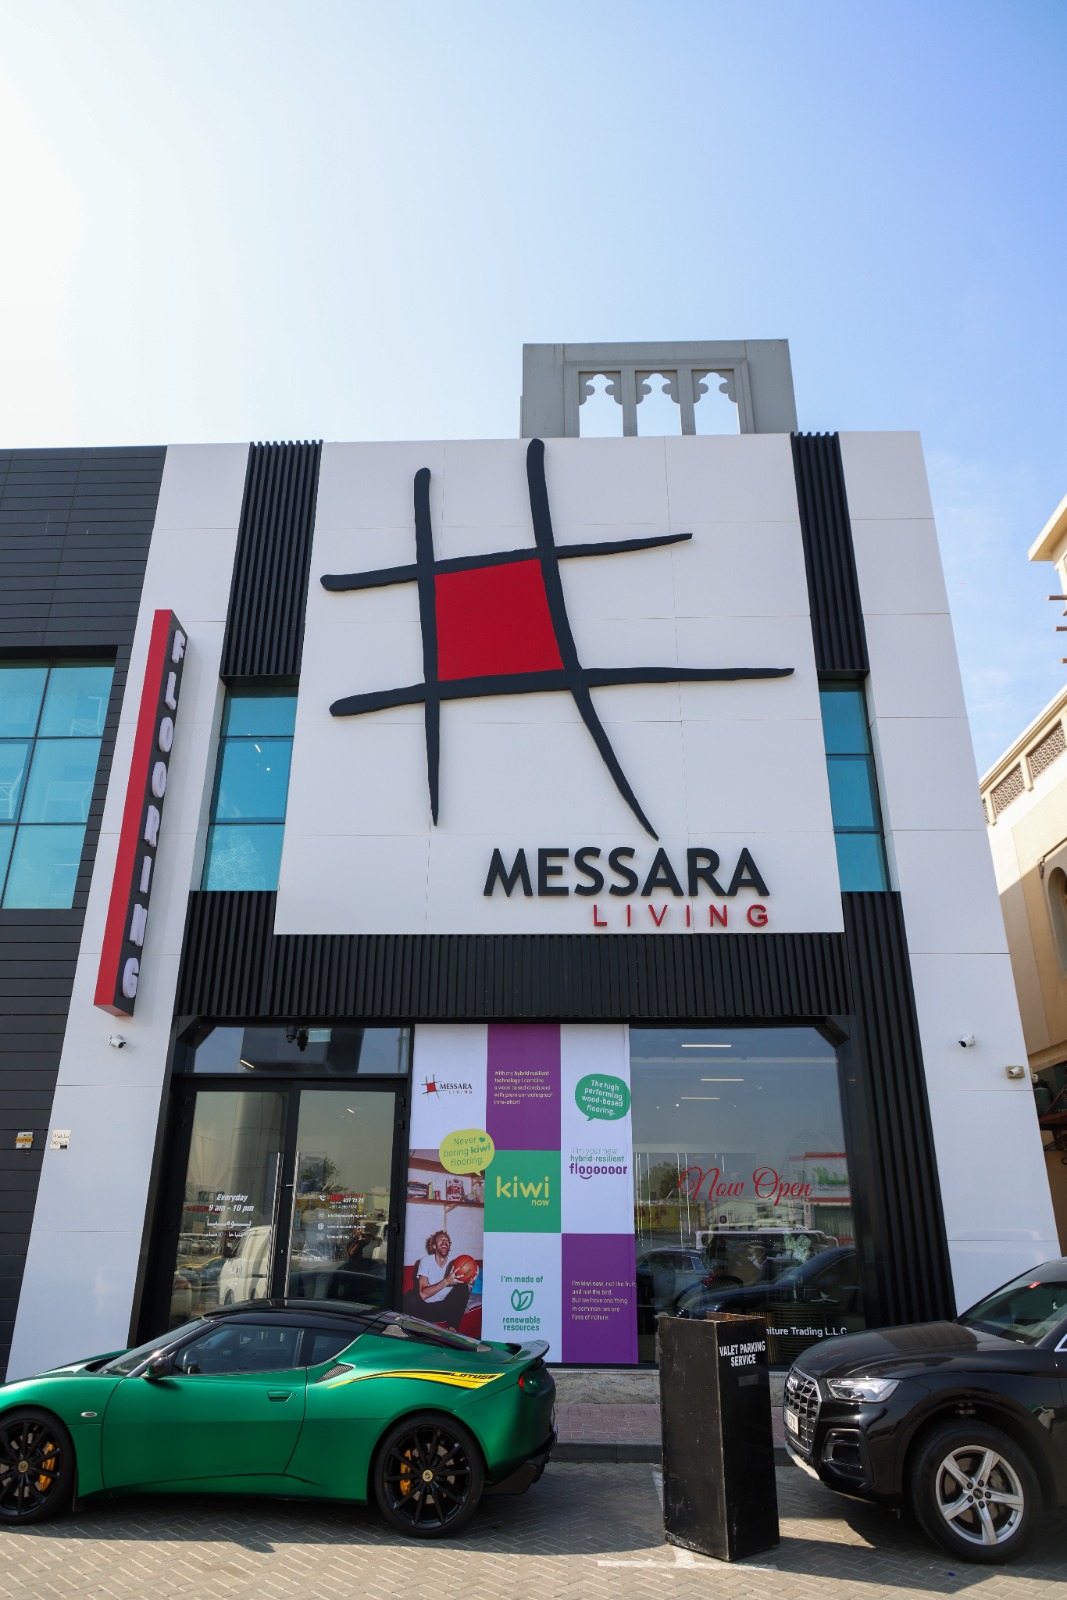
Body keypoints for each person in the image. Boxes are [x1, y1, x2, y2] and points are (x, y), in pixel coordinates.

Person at [402, 1229, 471, 1330]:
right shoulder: (425, 1261)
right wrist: (446, 1281)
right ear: (434, 1246)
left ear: (449, 1246)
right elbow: (423, 1294)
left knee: (463, 1287)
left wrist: (470, 1284)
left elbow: (462, 1295)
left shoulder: (455, 1264)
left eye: (446, 1240)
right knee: (410, 1297)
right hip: (425, 1309)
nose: (444, 1241)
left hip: (445, 1309)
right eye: (440, 1239)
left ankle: (452, 1329)